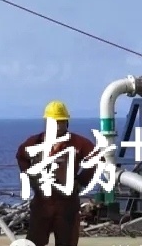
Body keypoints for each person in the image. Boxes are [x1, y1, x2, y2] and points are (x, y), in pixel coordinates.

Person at [16, 101, 96, 246]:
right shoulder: (35, 142)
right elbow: (21, 156)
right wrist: (30, 178)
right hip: (42, 202)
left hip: (67, 203)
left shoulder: (78, 143)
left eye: (61, 122)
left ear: (67, 122)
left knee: (67, 241)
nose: (58, 126)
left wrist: (81, 181)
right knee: (34, 242)